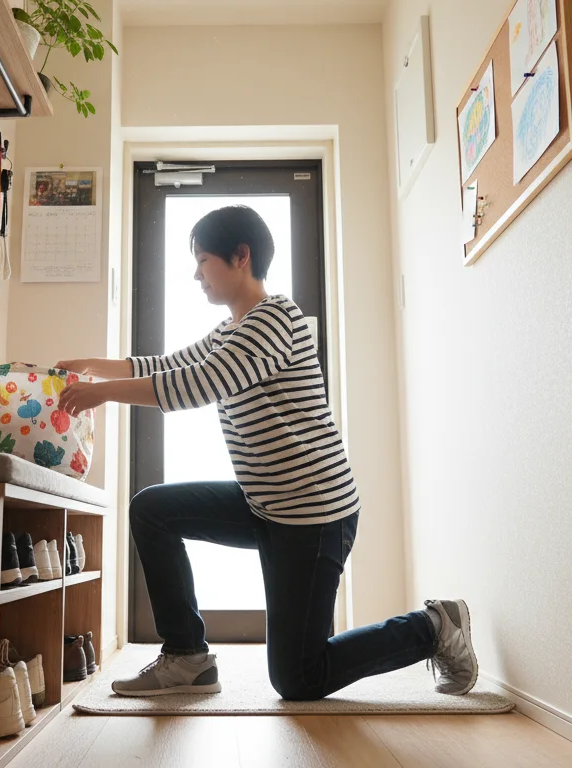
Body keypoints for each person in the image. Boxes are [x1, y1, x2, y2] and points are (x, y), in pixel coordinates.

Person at [55, 205, 478, 700]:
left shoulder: (276, 318)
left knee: (299, 678)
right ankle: (187, 657)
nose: (196, 274)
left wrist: (103, 393)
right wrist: (89, 367)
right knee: (153, 510)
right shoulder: (229, 331)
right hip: (266, 504)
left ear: (241, 256)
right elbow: (166, 363)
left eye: (203, 260)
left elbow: (196, 384)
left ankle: (433, 626)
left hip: (314, 515)